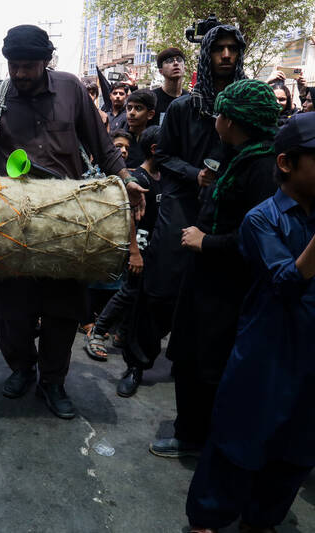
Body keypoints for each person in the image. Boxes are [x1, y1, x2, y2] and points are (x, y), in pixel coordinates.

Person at [0, 25, 144, 419]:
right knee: (9, 310)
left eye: (28, 66)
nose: (20, 73)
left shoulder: (70, 89)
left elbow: (102, 145)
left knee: (62, 311)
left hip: (68, 222)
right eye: (14, 66)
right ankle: (21, 367)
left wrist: (126, 178)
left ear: (47, 61)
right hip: (10, 223)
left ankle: (52, 381)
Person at [185, 111, 315, 533]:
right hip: (268, 349)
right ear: (286, 163)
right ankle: (208, 518)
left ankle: (261, 521)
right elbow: (285, 281)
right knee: (240, 437)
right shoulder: (261, 219)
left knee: (297, 448)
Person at [149, 79, 280, 458]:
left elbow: (256, 237)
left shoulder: (262, 167)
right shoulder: (240, 154)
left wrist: (206, 241)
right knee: (190, 356)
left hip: (225, 288)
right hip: (207, 279)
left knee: (205, 363)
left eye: (221, 114)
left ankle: (195, 438)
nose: (215, 119)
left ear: (233, 121)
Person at [139, 26, 247, 415]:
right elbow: (163, 156)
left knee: (211, 294)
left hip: (226, 209)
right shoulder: (184, 107)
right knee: (160, 287)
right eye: (218, 49)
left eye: (232, 49)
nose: (226, 55)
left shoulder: (245, 104)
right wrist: (194, 174)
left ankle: (193, 367)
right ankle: (138, 362)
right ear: (206, 55)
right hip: (182, 202)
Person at [84, 126, 162, 367]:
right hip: (133, 244)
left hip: (151, 244)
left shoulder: (160, 177)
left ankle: (123, 332)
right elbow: (128, 216)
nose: (124, 152)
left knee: (137, 291)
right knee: (129, 289)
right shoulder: (138, 179)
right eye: (118, 147)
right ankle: (97, 330)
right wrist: (134, 251)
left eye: (127, 148)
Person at [151, 47, 187, 126]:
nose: (176, 63)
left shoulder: (190, 99)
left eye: (179, 60)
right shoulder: (152, 98)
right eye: (169, 61)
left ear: (185, 68)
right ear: (161, 71)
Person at [124, 89, 156, 167]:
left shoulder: (154, 140)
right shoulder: (119, 138)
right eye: (129, 108)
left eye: (138, 108)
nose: (131, 113)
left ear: (150, 114)